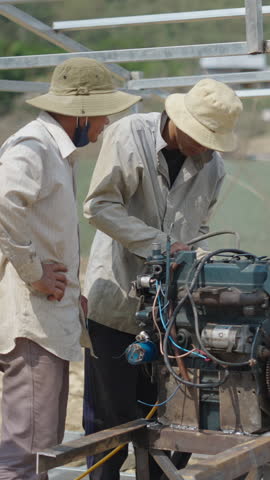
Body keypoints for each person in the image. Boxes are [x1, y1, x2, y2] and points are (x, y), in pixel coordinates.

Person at [82, 78, 243, 480]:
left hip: (173, 315)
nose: (205, 147)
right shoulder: (128, 134)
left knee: (172, 422)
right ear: (178, 120)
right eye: (201, 137)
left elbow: (200, 227)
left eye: (212, 141)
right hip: (117, 300)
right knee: (111, 422)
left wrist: (197, 258)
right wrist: (160, 244)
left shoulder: (213, 166)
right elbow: (98, 206)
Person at [0, 56, 140, 480]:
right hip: (33, 322)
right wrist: (33, 272)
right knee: (26, 454)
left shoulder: (58, 153)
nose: (102, 128)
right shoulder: (35, 146)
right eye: (101, 116)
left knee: (39, 444)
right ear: (80, 112)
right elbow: (4, 204)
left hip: (48, 317)